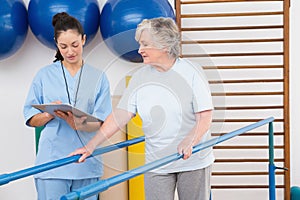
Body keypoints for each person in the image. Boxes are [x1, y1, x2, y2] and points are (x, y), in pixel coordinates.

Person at [71, 17, 214, 200]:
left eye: (145, 44)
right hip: (157, 162)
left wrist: (190, 140)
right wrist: (91, 145)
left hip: (193, 160)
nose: (139, 50)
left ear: (163, 45)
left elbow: (205, 116)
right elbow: (120, 116)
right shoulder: (140, 77)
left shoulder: (192, 72)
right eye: (140, 44)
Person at [23, 12, 112, 200]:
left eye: (75, 45)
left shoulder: (98, 77)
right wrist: (49, 114)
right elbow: (30, 118)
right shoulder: (43, 75)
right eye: (63, 46)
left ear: (84, 40)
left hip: (87, 164)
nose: (70, 51)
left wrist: (78, 123)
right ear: (57, 44)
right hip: (52, 164)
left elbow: (103, 122)